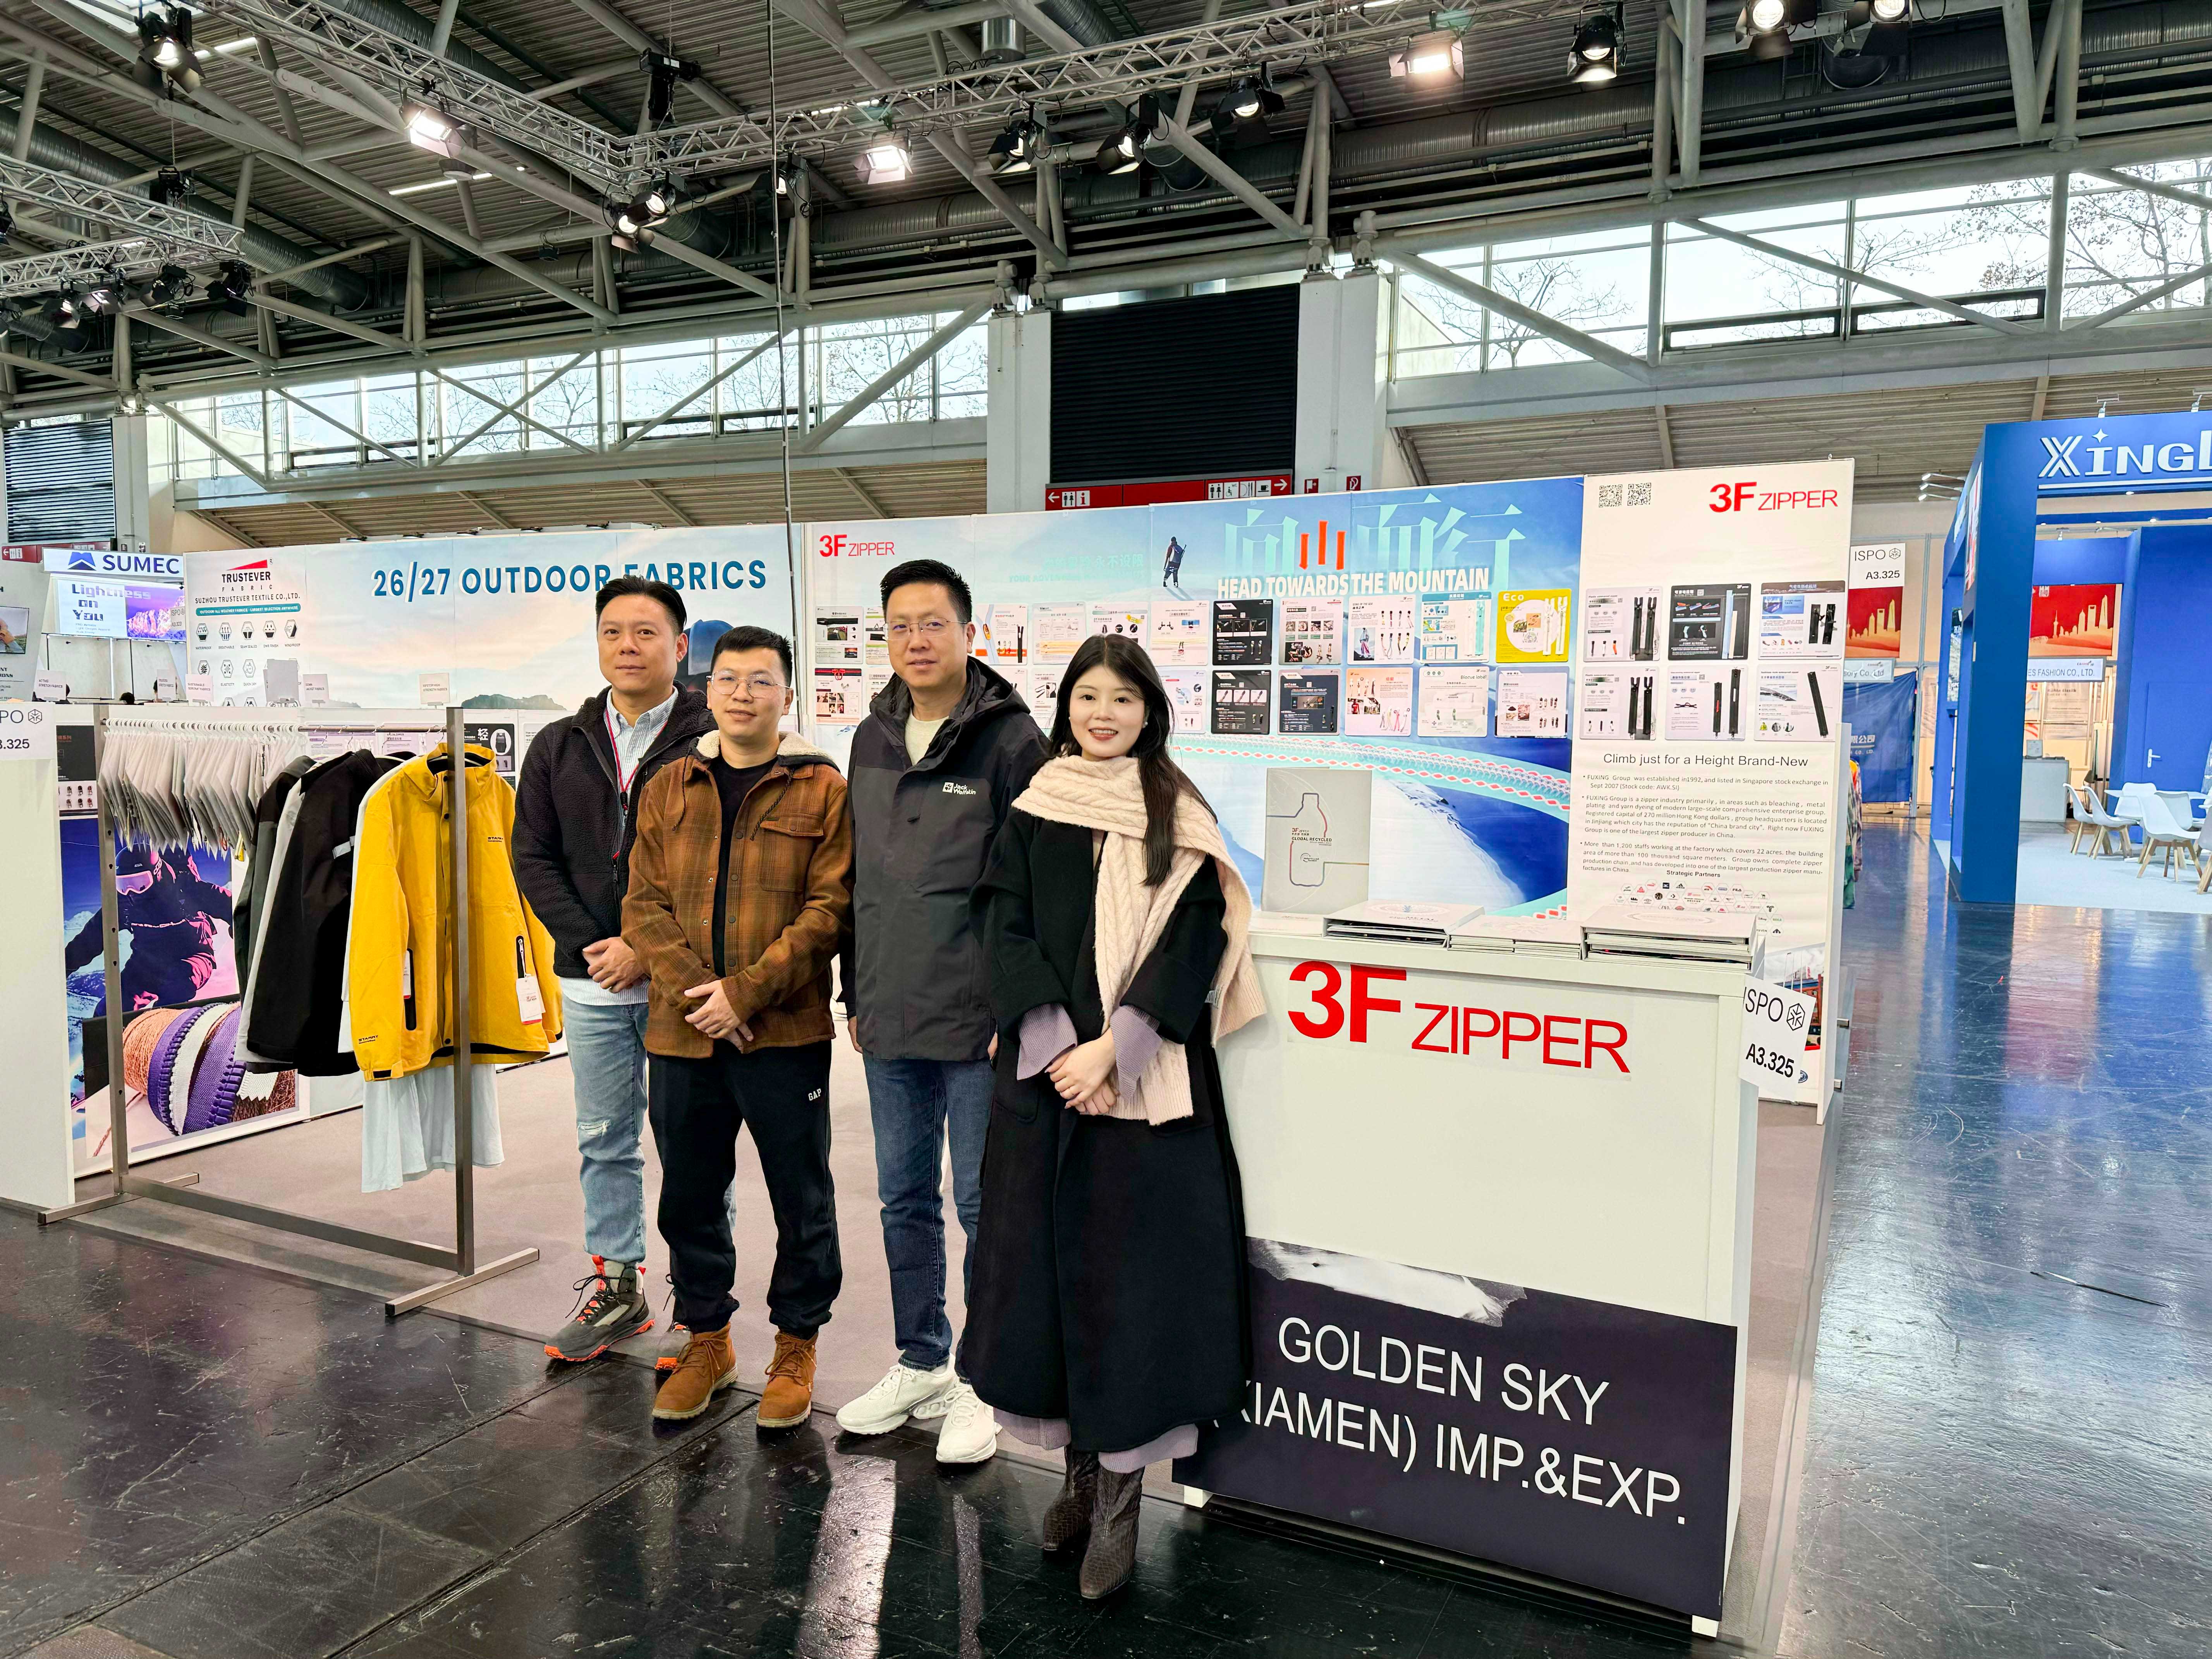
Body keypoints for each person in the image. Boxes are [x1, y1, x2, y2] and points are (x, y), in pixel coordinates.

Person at [962, 634, 1265, 1599]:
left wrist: (1116, 1053)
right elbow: (1001, 926)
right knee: (1050, 1287)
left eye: (1123, 699)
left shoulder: (1179, 813)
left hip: (1149, 1095)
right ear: (1067, 708)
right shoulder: (1036, 807)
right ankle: (1079, 1481)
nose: (1103, 714)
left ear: (1150, 713)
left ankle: (1124, 1505)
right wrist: (1062, 1051)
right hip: (1045, 1089)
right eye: (1088, 697)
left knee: (1132, 1297)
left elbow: (1194, 940)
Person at [833, 558, 1047, 1465]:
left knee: (980, 1203)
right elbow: (857, 880)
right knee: (903, 1198)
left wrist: (1015, 1005)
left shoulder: (1013, 741)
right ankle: (921, 1359)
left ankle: (982, 1382)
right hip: (888, 1010)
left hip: (976, 1020)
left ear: (969, 631)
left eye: (933, 623)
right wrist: (854, 989)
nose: (915, 641)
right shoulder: (871, 738)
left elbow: (1034, 887)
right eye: (900, 626)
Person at [623, 625, 852, 1427]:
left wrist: (745, 996)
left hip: (784, 1034)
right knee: (689, 1195)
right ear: (706, 689)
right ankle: (708, 1340)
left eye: (761, 680)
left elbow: (830, 909)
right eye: (728, 679)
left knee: (802, 1195)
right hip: (683, 1032)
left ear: (787, 694)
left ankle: (796, 1346)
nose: (743, 694)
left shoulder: (822, 787)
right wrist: (703, 997)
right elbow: (642, 904)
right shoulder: (669, 784)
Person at [513, 577, 714, 1367]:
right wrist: (599, 944)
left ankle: (702, 1307)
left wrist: (646, 948)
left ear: (679, 646)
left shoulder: (711, 736)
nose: (627, 646)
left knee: (694, 1145)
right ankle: (618, 1290)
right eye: (612, 632)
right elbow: (533, 856)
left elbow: (719, 869)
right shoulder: (559, 744)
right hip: (591, 981)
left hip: (685, 982)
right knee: (604, 1138)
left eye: (645, 632)